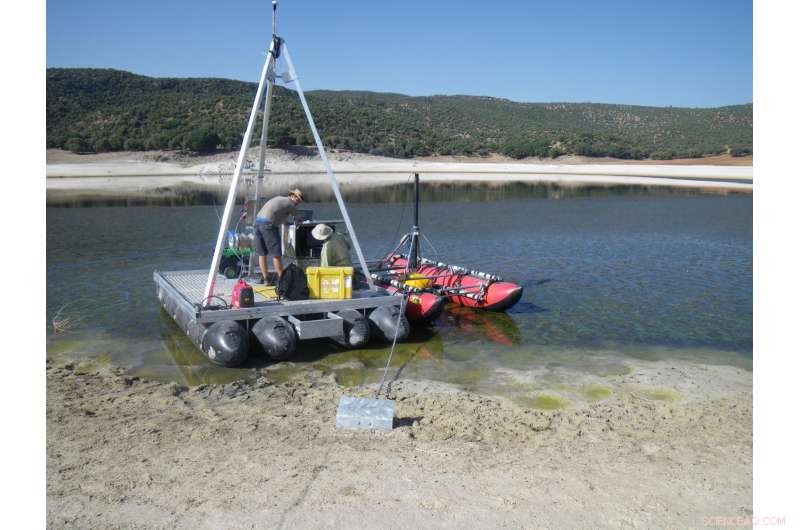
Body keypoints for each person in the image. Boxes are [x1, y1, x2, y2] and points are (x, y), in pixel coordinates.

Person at [254, 188, 303, 283]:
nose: (298, 202)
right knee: (276, 254)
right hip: (268, 224)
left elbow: (278, 214)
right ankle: (282, 280)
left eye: (300, 201)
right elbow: (298, 220)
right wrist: (298, 221)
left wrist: (286, 222)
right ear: (292, 196)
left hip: (258, 222)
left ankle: (266, 279)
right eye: (298, 199)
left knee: (262, 254)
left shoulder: (280, 199)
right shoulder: (291, 204)